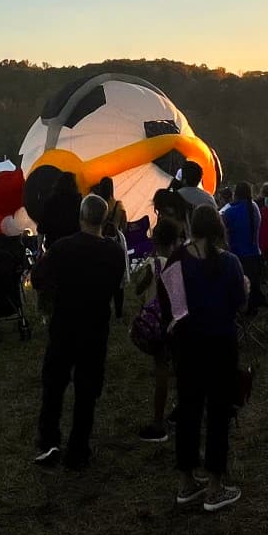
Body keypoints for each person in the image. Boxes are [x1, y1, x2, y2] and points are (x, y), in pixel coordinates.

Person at [30, 194, 128, 471]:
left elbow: (37, 278)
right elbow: (116, 285)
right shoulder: (113, 252)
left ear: (81, 217)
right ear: (104, 219)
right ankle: (78, 449)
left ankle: (49, 441)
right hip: (95, 326)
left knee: (53, 385)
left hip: (64, 324)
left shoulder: (62, 248)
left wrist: (54, 291)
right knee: (87, 391)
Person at [160, 205, 246, 512]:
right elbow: (239, 303)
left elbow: (167, 306)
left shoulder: (175, 262)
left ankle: (186, 482)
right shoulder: (230, 263)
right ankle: (214, 486)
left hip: (187, 347)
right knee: (219, 413)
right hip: (220, 344)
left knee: (188, 409)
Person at [128, 218, 183, 443]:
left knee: (161, 370)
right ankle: (180, 410)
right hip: (177, 322)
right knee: (179, 367)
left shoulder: (154, 265)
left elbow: (139, 287)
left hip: (157, 324)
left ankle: (158, 423)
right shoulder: (180, 263)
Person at [219, 182, 266, 315]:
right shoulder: (254, 207)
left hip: (238, 260)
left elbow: (220, 228)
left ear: (235, 194)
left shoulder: (230, 212)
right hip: (256, 258)